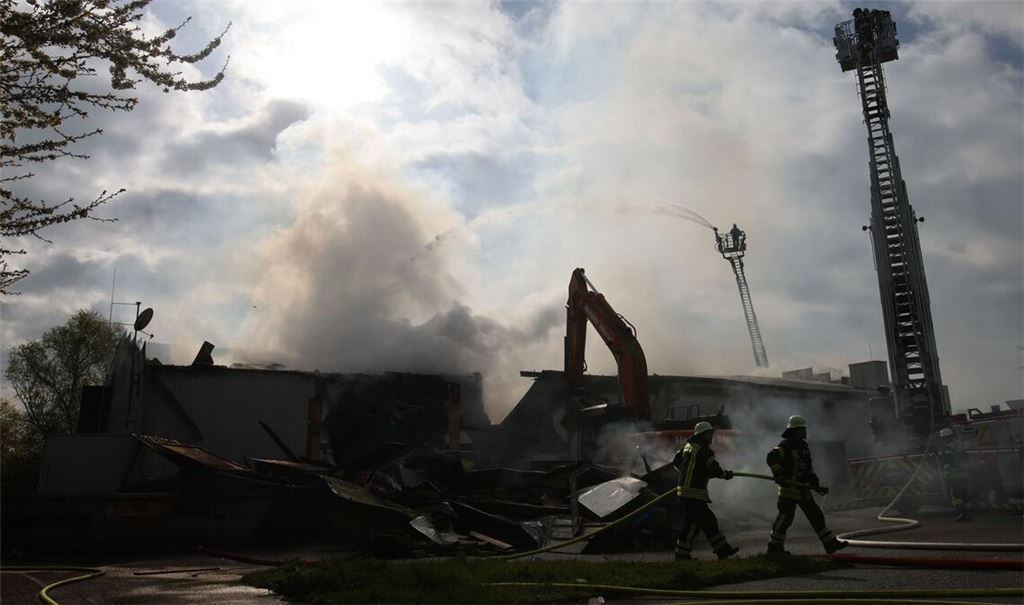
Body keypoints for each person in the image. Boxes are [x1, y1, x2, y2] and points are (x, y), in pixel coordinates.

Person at [765, 415, 848, 555]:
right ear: (793, 431)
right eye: (801, 429)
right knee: (785, 518)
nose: (804, 432)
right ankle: (774, 548)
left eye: (804, 429)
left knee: (816, 515)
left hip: (803, 489)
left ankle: (830, 544)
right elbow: (771, 458)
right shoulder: (784, 446)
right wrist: (779, 475)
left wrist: (816, 485)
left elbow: (808, 469)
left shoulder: (804, 447)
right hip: (789, 490)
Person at [672, 421, 740, 561]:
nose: (711, 436)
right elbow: (714, 469)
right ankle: (719, 550)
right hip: (694, 493)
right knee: (704, 522)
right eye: (709, 434)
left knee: (698, 523)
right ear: (702, 435)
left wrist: (688, 474)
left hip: (685, 491)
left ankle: (720, 550)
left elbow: (676, 462)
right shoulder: (705, 451)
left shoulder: (687, 447)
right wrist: (726, 475)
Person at [938, 427, 971, 521]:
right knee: (964, 495)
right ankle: (968, 514)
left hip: (953, 475)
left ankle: (963, 513)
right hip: (964, 473)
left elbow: (949, 459)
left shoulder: (948, 446)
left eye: (943, 438)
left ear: (946, 437)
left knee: (953, 495)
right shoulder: (960, 444)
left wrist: (943, 464)